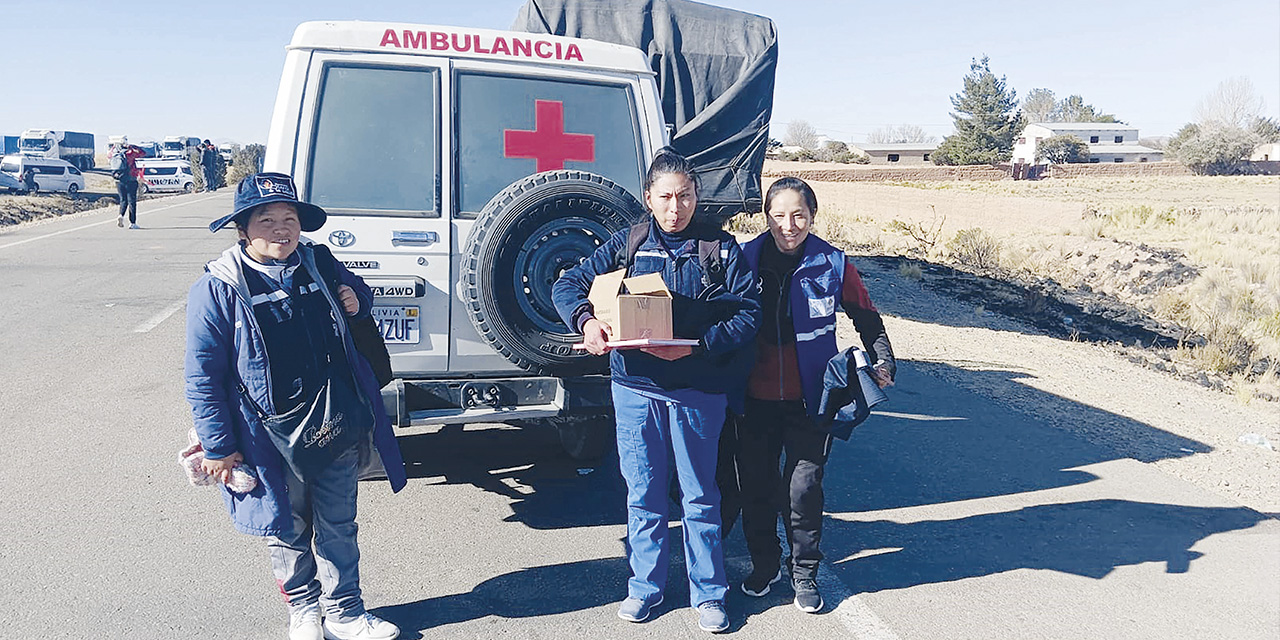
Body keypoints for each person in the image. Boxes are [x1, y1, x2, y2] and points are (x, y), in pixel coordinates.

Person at [184, 172, 407, 640]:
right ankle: (304, 611)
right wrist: (219, 446)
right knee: (285, 526)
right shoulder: (219, 286)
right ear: (243, 229)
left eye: (289, 219)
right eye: (267, 220)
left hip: (335, 420)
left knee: (339, 524)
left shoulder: (319, 263)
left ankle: (345, 612)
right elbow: (203, 375)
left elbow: (359, 297)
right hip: (268, 436)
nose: (282, 230)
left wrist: (356, 299)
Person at [552, 150, 761, 634]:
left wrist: (699, 347)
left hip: (697, 391)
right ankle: (645, 588)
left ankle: (709, 594)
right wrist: (586, 323)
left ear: (696, 197)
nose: (675, 207)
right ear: (648, 198)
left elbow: (749, 313)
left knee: (700, 495)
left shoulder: (720, 249)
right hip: (635, 390)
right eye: (665, 196)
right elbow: (570, 284)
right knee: (643, 495)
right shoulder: (627, 244)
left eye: (684, 195)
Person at [735, 177, 896, 613]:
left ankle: (804, 573)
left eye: (799, 216)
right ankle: (764, 565)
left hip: (814, 400)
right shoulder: (744, 259)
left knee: (803, 488)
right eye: (779, 216)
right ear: (766, 216)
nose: (789, 225)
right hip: (754, 398)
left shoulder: (833, 262)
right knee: (758, 485)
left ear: (813, 216)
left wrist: (883, 359)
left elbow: (866, 315)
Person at [113, 141, 146, 229]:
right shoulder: (130, 154)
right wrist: (133, 146)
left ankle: (121, 215)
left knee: (123, 200)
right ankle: (132, 223)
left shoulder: (114, 155)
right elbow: (143, 153)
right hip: (131, 180)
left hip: (119, 180)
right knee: (132, 201)